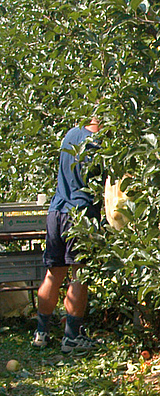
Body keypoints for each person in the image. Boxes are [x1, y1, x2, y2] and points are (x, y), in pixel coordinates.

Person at [33, 116, 102, 355]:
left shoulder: (71, 135)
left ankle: (41, 333)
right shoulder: (99, 144)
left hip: (56, 211)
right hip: (79, 213)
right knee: (79, 274)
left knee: (54, 273)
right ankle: (72, 337)